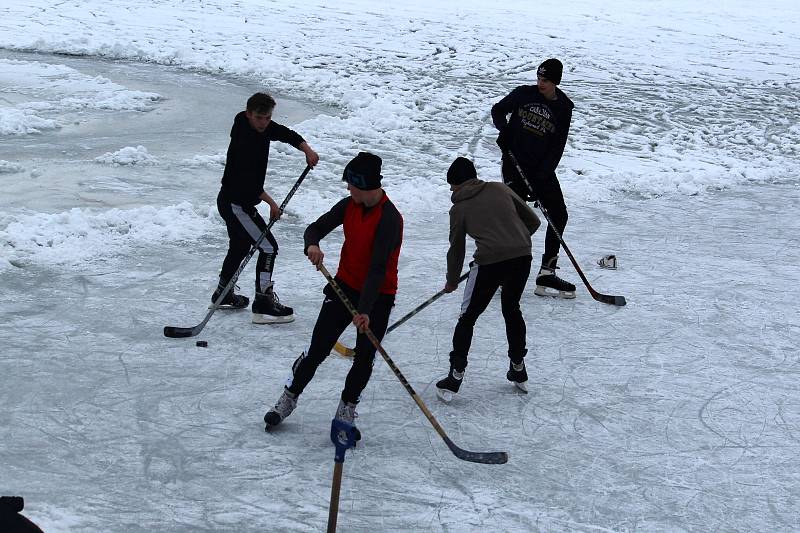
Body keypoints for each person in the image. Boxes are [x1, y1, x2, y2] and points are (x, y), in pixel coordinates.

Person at [264, 152, 403, 433]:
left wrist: (364, 310)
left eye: (351, 185)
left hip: (378, 296)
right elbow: (315, 228)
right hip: (344, 287)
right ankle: (288, 398)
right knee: (317, 349)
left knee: (364, 357)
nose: (348, 189)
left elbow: (377, 269)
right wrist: (312, 245)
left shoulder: (390, 219)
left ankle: (346, 411)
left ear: (363, 184)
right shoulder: (349, 205)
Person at [435, 157, 540, 400]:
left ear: (458, 184)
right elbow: (533, 221)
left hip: (490, 263)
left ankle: (455, 377)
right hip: (522, 257)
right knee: (512, 308)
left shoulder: (458, 208)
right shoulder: (499, 188)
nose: (451, 190)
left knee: (468, 317)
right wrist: (512, 241)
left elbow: (456, 248)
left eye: (452, 186)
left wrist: (452, 280)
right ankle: (518, 369)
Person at [213, 92, 319, 324]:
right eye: (259, 118)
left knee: (240, 246)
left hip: (235, 201)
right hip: (236, 203)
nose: (264, 123)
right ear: (249, 113)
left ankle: (223, 293)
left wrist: (306, 149)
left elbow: (284, 133)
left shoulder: (262, 126)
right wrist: (272, 204)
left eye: (267, 118)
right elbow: (249, 184)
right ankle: (263, 302)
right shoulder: (244, 141)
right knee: (269, 247)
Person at [491, 58, 576, 299]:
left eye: (546, 80)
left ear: (556, 82)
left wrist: (542, 176)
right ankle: (499, 268)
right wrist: (504, 130)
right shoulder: (523, 94)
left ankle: (546, 273)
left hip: (542, 170)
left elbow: (557, 146)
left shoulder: (564, 108)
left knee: (559, 214)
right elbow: (498, 110)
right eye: (539, 78)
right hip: (514, 165)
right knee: (516, 218)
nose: (540, 83)